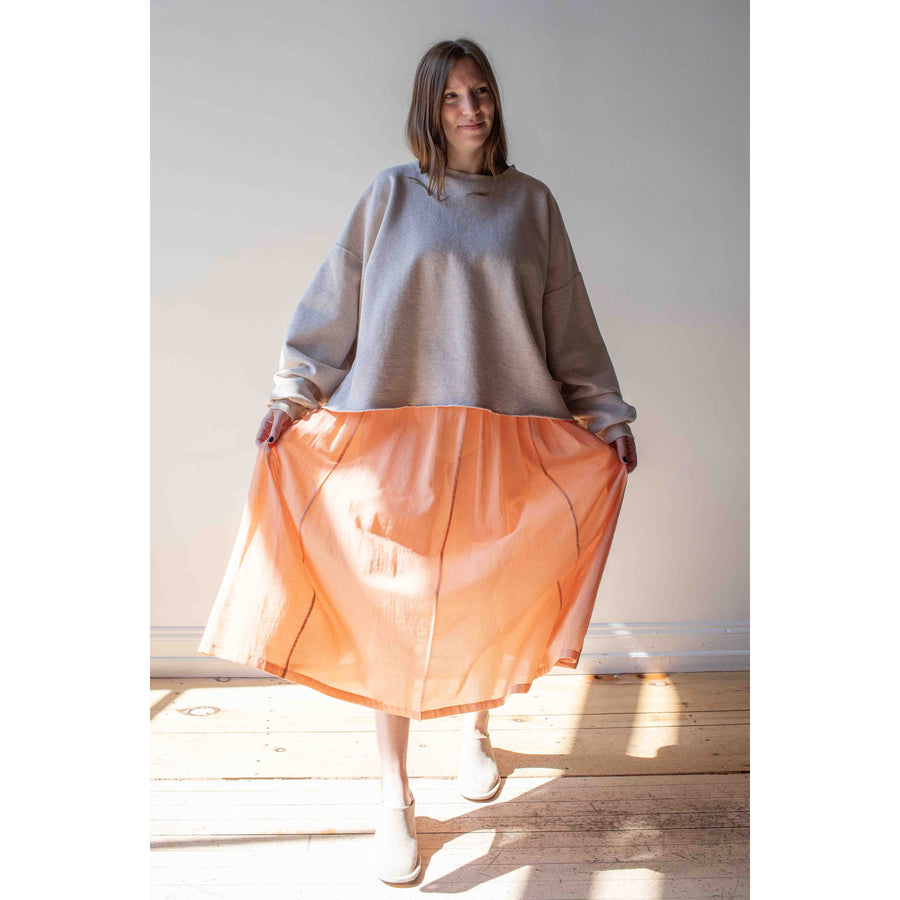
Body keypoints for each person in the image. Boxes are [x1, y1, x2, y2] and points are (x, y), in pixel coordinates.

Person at [198, 37, 638, 886]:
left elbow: (569, 326)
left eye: (482, 93)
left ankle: (475, 732)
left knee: (485, 591)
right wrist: (293, 396)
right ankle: (395, 797)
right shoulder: (389, 197)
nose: (471, 110)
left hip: (505, 435)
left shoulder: (532, 205)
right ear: (427, 109)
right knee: (392, 611)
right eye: (452, 97)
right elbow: (333, 308)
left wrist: (606, 414)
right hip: (395, 436)